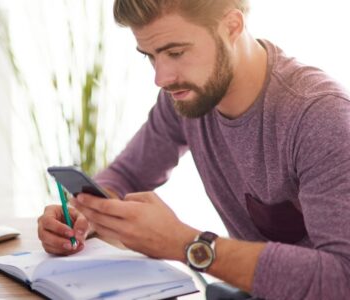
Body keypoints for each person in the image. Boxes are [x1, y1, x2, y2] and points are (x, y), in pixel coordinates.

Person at [37, 0, 350, 299]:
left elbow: (343, 278)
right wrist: (87, 214)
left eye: (175, 52)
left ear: (231, 26)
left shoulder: (319, 117)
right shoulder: (187, 95)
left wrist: (184, 243)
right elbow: (127, 175)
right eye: (149, 56)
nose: (161, 77)